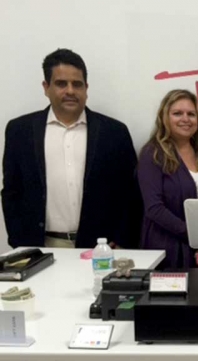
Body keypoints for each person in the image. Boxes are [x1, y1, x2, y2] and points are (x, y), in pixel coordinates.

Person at [1, 48, 140, 249]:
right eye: (61, 84)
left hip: (100, 250)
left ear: (86, 88)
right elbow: (12, 192)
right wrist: (19, 241)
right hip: (40, 247)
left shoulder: (114, 132)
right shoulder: (20, 131)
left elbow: (131, 193)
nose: (70, 91)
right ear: (46, 87)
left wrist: (122, 240)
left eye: (77, 84)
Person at [137, 89, 198, 269]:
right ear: (165, 117)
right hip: (166, 250)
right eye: (177, 113)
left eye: (191, 114)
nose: (185, 119)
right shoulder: (152, 154)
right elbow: (154, 209)